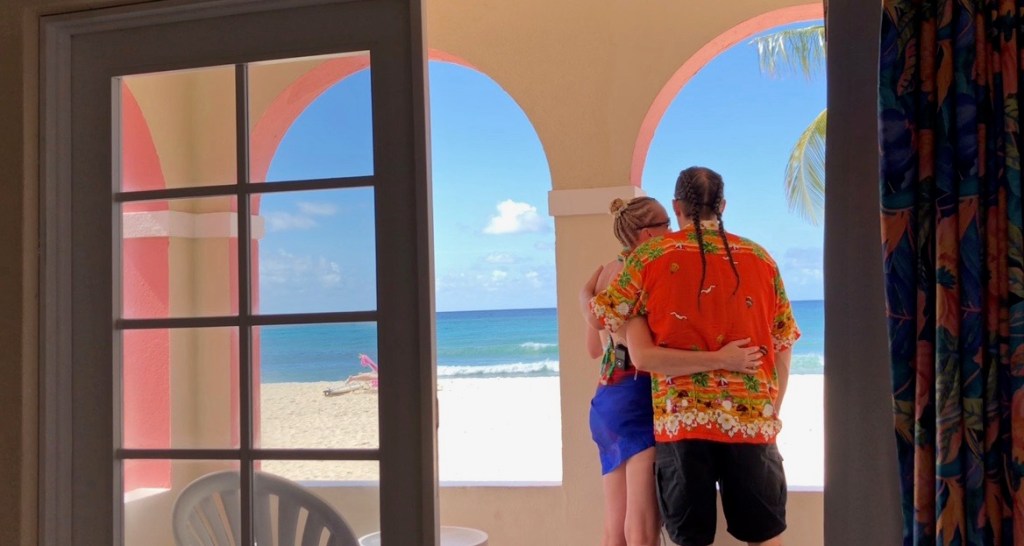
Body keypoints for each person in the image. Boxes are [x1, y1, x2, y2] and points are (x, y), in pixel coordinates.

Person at [584, 167, 800, 546]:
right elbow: (783, 344)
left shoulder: (649, 257)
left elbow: (602, 317)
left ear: (677, 206)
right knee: (765, 537)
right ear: (723, 205)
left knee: (691, 540)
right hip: (751, 421)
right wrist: (772, 410)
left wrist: (585, 294)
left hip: (682, 424)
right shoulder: (761, 259)